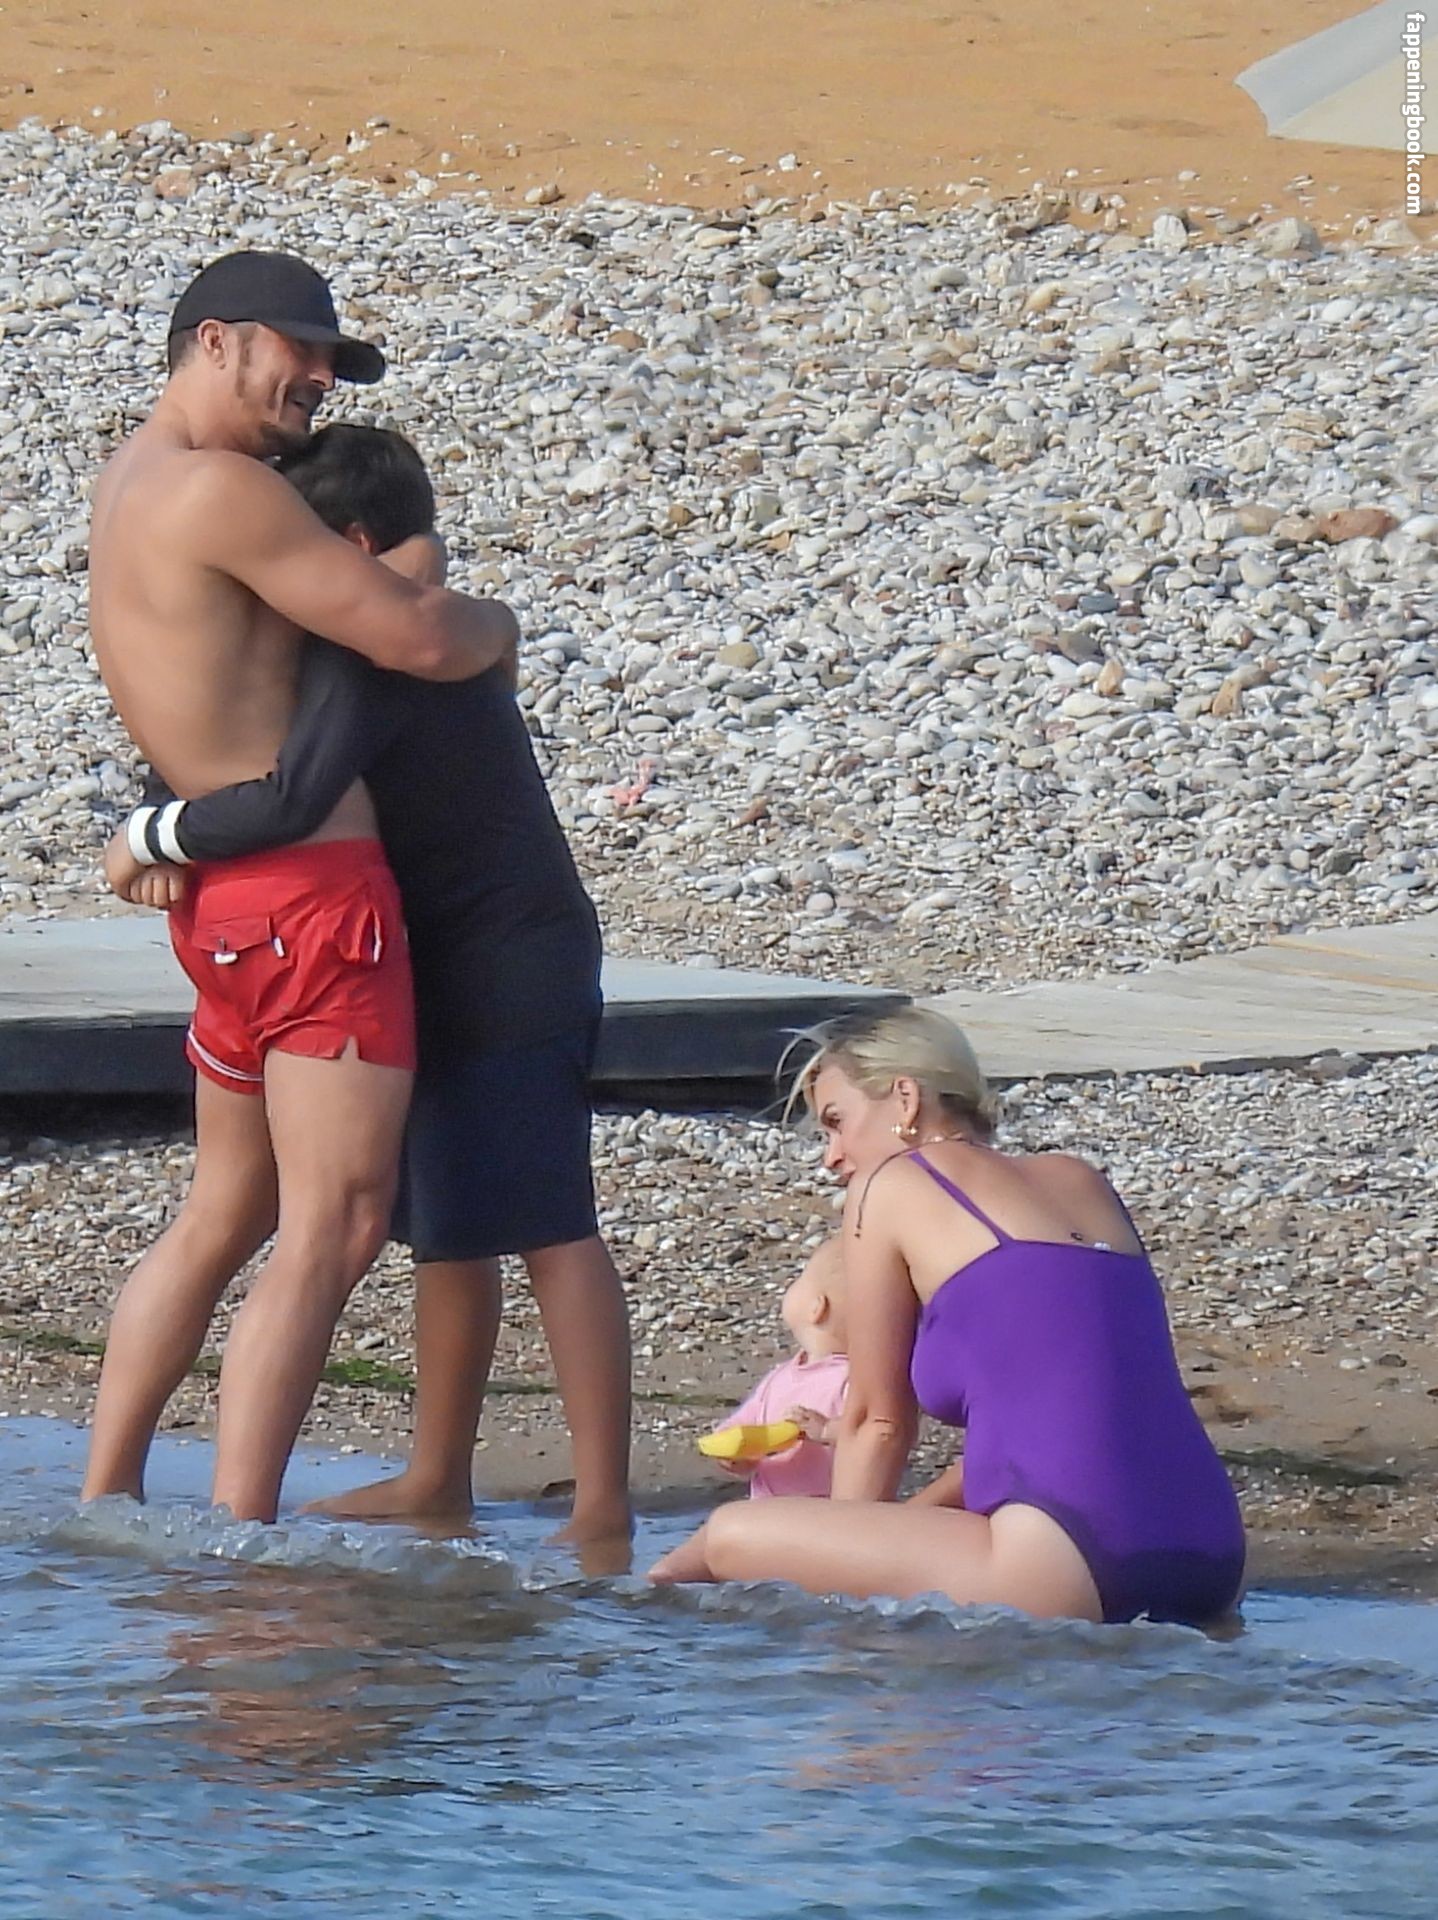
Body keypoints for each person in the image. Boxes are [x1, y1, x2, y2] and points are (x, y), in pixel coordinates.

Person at [100, 424, 632, 1553]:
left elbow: (289, 794)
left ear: (344, 545)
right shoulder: (374, 630)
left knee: (549, 1221)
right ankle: (437, 1475)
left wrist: (149, 834)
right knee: (450, 1221)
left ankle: (602, 1503)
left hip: (510, 949)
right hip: (422, 944)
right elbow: (232, 745)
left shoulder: (375, 645)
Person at [84, 250, 520, 1523]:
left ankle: (104, 1500)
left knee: (223, 1209)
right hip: (314, 899)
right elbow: (417, 638)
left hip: (219, 900)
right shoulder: (226, 492)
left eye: (332, 361)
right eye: (301, 350)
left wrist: (157, 832)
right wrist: (495, 622)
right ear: (215, 340)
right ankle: (242, 1536)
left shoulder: (128, 480)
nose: (321, 377)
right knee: (337, 1220)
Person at [649, 1007, 1246, 1625]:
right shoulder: (1081, 1179)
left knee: (725, 1536)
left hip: (1067, 1561)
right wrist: (906, 1526)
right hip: (1210, 1552)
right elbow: (1068, 1428)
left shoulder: (892, 1185)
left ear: (905, 1099)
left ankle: (622, 1617)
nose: (832, 1156)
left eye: (836, 1122)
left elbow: (877, 1422)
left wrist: (843, 1604)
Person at [705, 1237, 849, 1501]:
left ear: (817, 1307)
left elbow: (871, 1433)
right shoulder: (782, 1376)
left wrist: (828, 1430)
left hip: (824, 1512)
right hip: (766, 1506)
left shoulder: (850, 1379)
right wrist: (733, 1449)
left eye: (801, 1278)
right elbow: (750, 1418)